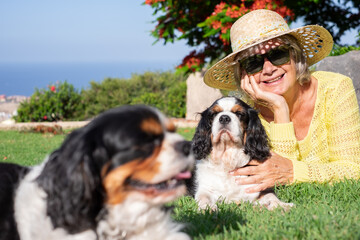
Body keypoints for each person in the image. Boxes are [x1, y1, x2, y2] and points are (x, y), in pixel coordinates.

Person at [203, 9, 360, 193]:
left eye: (278, 54)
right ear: (243, 75)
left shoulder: (335, 88)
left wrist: (293, 172)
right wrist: (279, 108)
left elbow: (353, 169)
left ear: (296, 55)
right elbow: (279, 183)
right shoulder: (247, 118)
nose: (268, 69)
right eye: (253, 63)